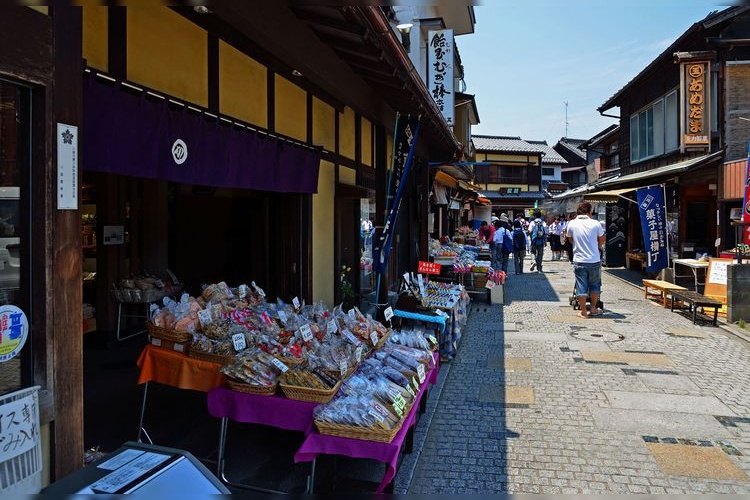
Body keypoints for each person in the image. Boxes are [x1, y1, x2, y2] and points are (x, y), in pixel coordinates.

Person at [565, 201, 606, 318]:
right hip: (594, 259)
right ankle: (593, 308)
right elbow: (602, 240)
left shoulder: (572, 224)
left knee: (581, 285)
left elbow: (570, 239)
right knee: (595, 285)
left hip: (579, 259)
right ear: (589, 212)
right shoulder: (595, 223)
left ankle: (583, 312)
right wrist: (595, 245)